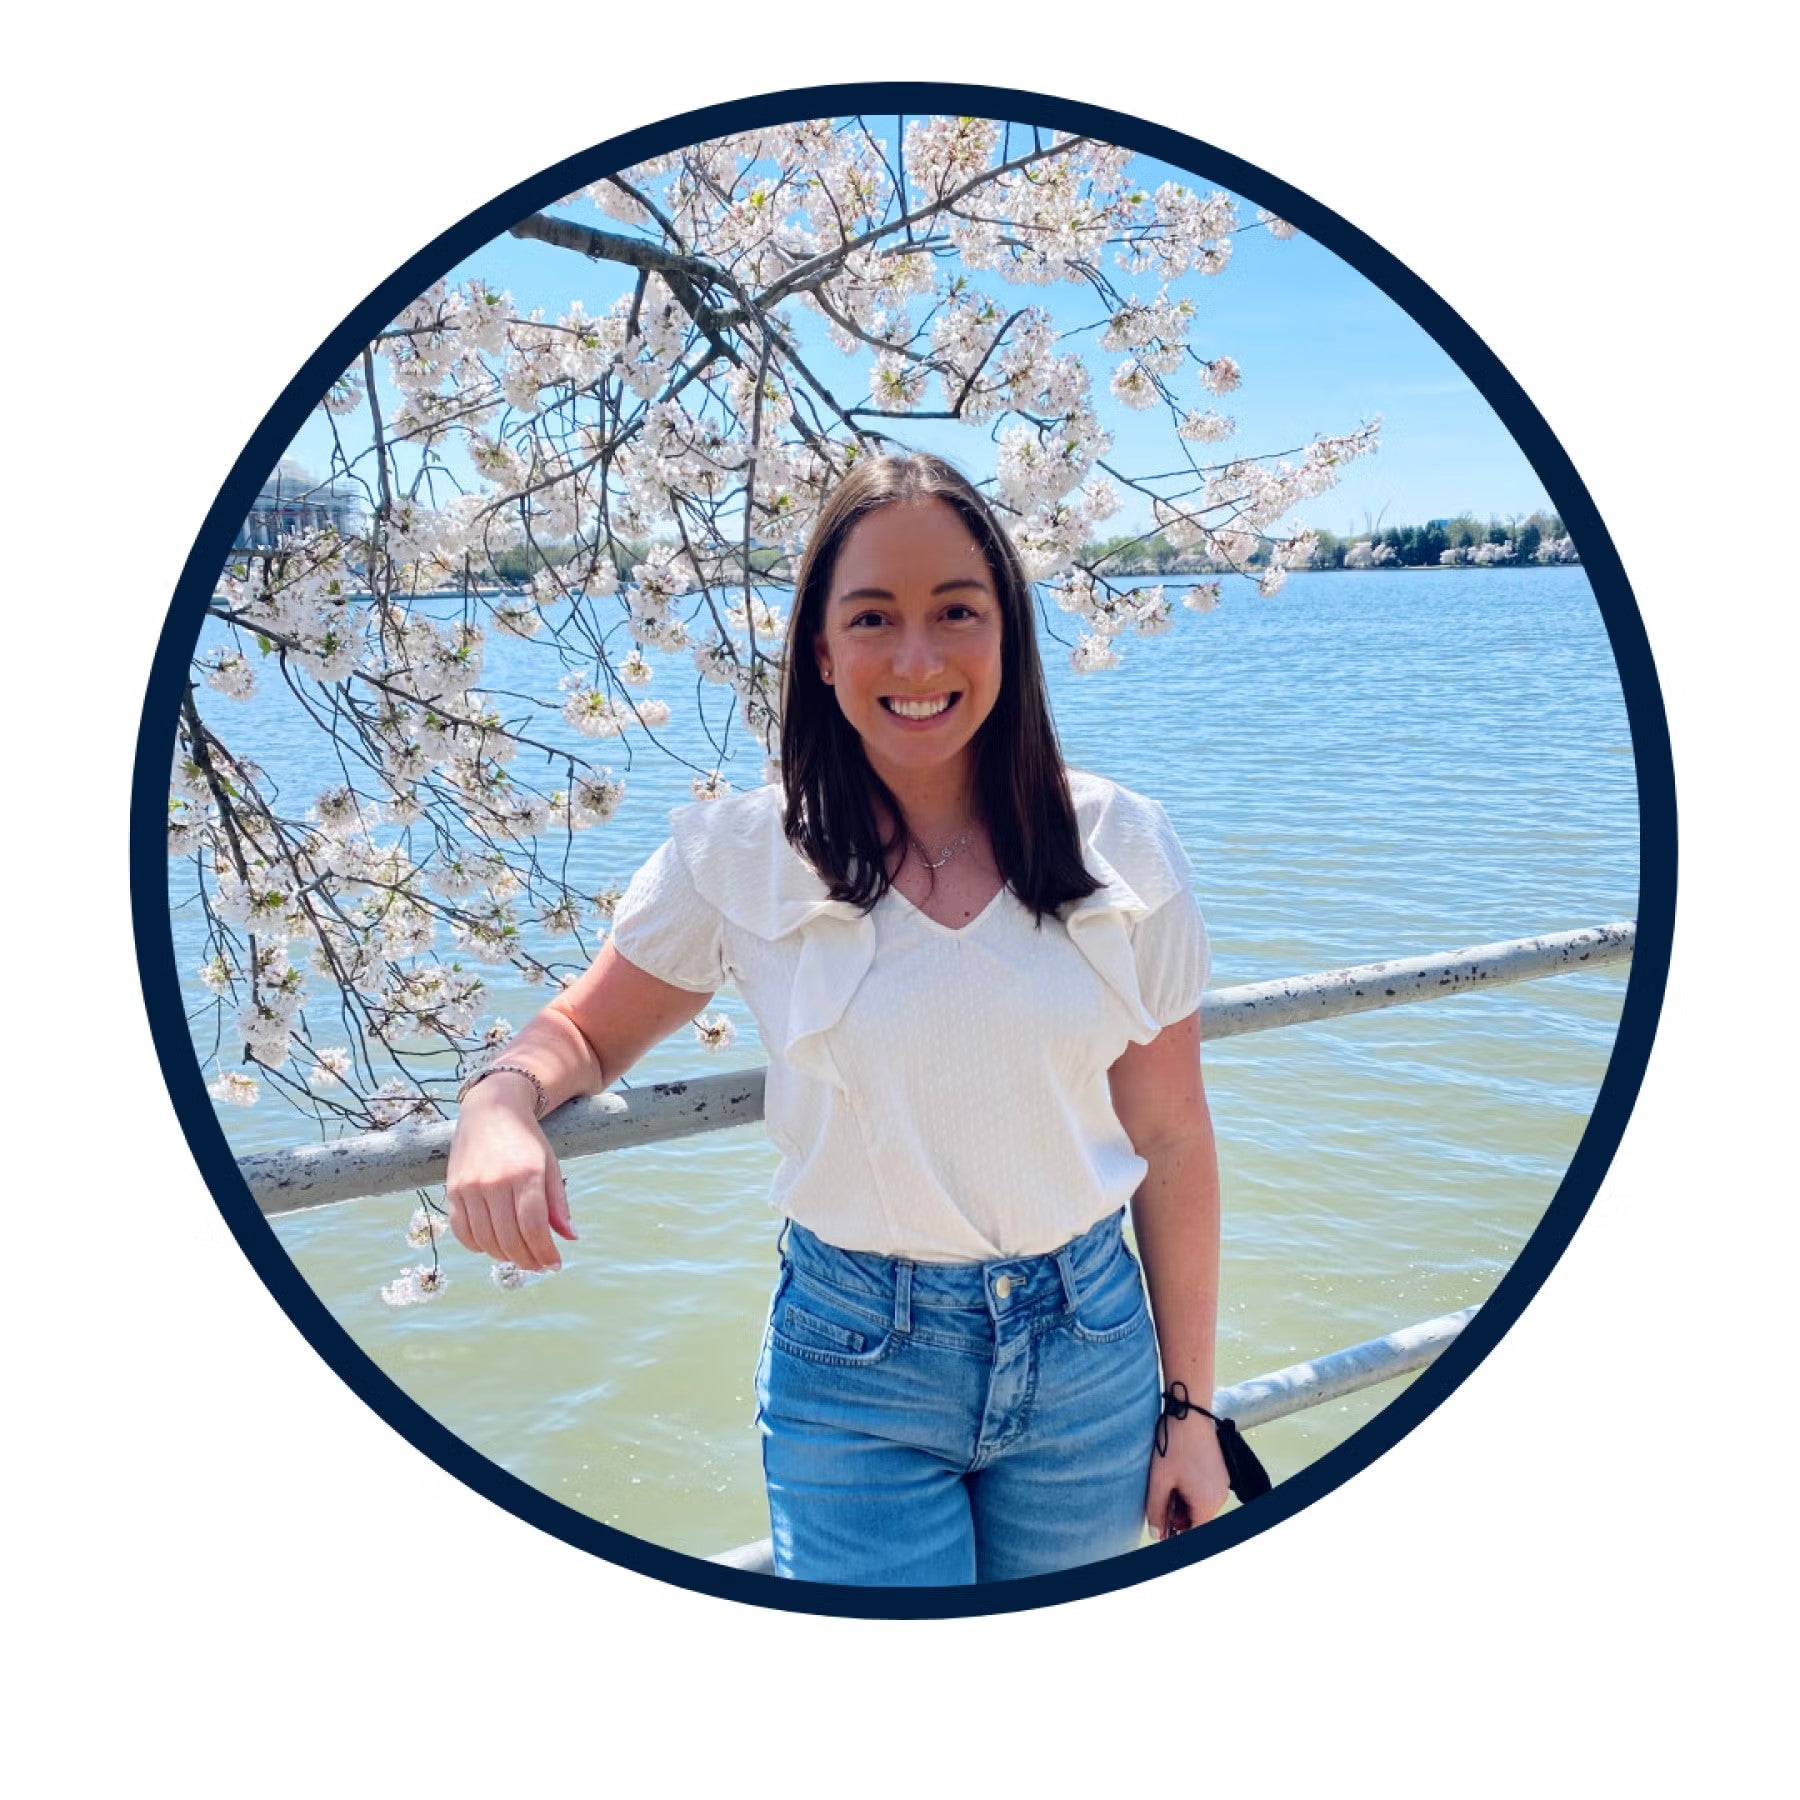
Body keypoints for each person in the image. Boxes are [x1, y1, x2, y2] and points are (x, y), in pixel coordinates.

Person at [444, 450, 1230, 1585]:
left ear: (1007, 633)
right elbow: (584, 1033)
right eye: (872, 618)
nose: (917, 659)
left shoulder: (1122, 844)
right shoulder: (741, 857)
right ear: (820, 651)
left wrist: (1190, 1410)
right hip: (856, 1364)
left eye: (956, 611)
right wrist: (499, 1103)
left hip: (1090, 1351)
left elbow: (1171, 1135)